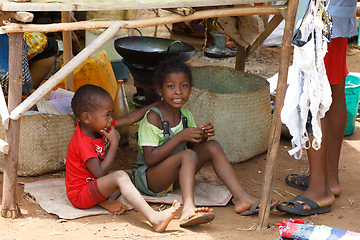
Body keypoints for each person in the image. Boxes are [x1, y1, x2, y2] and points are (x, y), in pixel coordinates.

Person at [132, 57, 278, 227]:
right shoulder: (153, 117)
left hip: (173, 178)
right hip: (150, 180)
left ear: (190, 89)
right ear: (160, 90)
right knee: (187, 155)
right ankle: (188, 209)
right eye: (171, 86)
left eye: (184, 86)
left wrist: (202, 137)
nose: (178, 91)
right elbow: (149, 159)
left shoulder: (186, 115)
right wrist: (180, 137)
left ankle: (241, 198)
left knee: (212, 146)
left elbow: (192, 151)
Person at [277, 0, 358, 215]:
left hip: (320, 14)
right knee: (334, 86)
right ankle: (329, 179)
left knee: (314, 94)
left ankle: (320, 190)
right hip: (338, 13)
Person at [65, 84, 180, 233]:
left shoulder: (99, 125)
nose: (111, 119)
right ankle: (154, 218)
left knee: (128, 176)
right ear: (86, 117)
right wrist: (114, 144)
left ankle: (104, 201)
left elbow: (129, 118)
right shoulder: (83, 142)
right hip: (81, 194)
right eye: (107, 115)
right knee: (120, 176)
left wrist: (155, 105)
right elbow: (100, 174)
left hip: (92, 186)